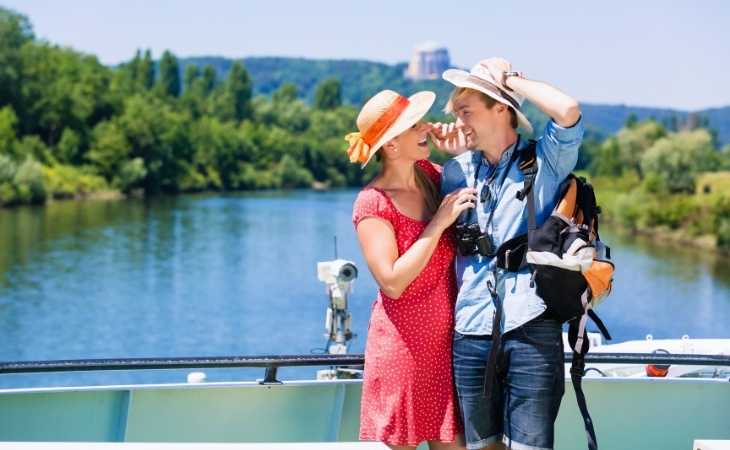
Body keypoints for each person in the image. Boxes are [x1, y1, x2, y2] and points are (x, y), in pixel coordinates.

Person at [429, 57, 584, 450]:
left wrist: (509, 80)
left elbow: (567, 111)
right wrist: (454, 144)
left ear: (501, 109)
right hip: (470, 330)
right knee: (483, 447)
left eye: (466, 111)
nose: (459, 121)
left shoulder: (544, 162)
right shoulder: (456, 171)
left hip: (531, 326)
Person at [347, 89, 475, 450]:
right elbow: (391, 282)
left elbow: (487, 197)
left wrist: (460, 155)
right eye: (415, 125)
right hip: (403, 352)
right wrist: (437, 224)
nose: (426, 127)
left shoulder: (435, 176)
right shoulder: (373, 202)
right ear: (390, 145)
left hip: (448, 347)